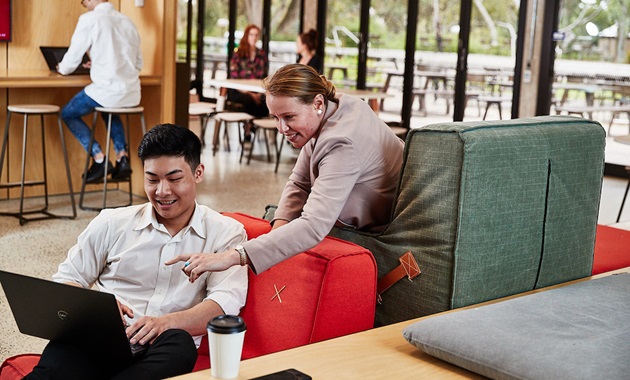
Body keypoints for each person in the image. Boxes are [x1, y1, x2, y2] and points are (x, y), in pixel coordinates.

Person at [25, 124, 248, 380]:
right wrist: (96, 310)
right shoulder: (111, 222)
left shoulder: (227, 232)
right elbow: (67, 280)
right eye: (152, 179)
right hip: (103, 339)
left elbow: (224, 304)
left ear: (198, 173)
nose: (162, 191)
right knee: (61, 357)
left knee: (180, 343)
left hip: (162, 347)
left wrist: (164, 322)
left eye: (174, 179)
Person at [166, 63, 404, 280]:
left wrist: (231, 257)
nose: (281, 128)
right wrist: (275, 235)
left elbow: (312, 226)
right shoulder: (336, 106)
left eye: (289, 117)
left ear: (318, 103)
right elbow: (299, 182)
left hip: (376, 227)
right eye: (275, 117)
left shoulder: (341, 142)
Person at [58, 0, 143, 184]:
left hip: (107, 91)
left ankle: (99, 158)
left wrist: (61, 69)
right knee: (109, 110)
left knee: (68, 113)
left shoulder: (90, 19)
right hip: (132, 93)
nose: (85, 4)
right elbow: (138, 64)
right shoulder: (127, 21)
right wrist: (97, 63)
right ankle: (122, 158)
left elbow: (72, 60)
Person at [228, 24, 269, 139]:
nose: (254, 37)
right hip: (240, 91)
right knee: (249, 101)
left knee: (265, 101)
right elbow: (234, 78)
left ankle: (253, 125)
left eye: (256, 35)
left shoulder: (261, 54)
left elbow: (264, 77)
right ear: (246, 36)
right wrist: (251, 94)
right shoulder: (238, 53)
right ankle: (248, 128)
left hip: (258, 90)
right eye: (251, 35)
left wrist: (259, 93)